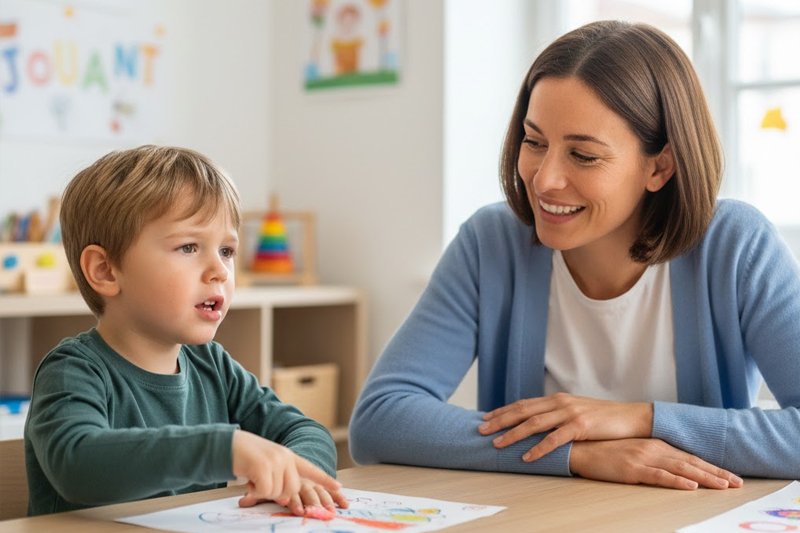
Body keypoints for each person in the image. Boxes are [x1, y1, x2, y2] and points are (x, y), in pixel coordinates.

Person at [349, 20, 800, 490]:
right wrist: (576, 454)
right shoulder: (492, 243)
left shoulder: (736, 246)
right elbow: (380, 421)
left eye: (583, 155)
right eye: (534, 141)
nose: (544, 180)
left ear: (660, 166)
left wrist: (639, 420)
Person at [25, 145, 347, 516]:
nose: (220, 271)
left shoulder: (213, 365)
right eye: (189, 247)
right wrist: (224, 448)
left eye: (226, 250)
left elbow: (307, 432)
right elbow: (76, 464)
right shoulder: (72, 371)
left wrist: (300, 474)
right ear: (105, 271)